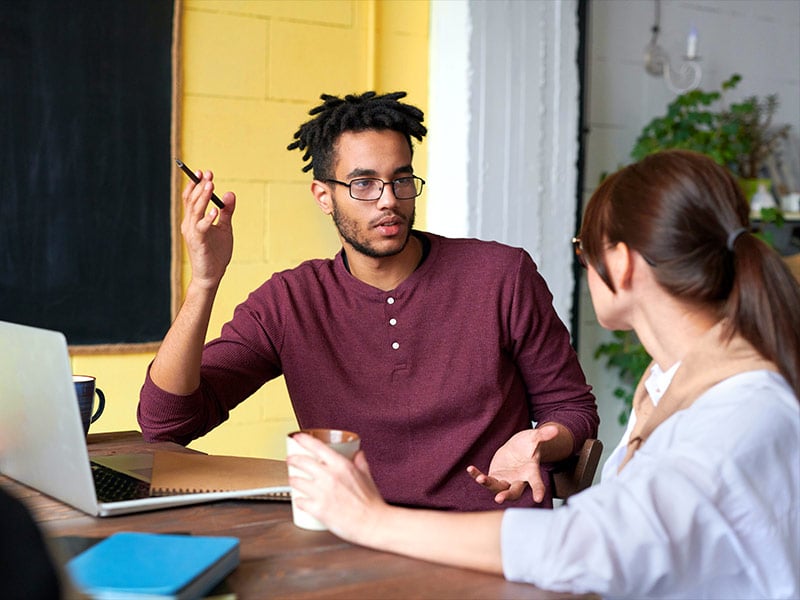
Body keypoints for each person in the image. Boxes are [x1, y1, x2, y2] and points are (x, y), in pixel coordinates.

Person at [286, 150, 800, 599]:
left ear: (620, 265)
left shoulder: (742, 412)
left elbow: (591, 544)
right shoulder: (674, 385)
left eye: (583, 249)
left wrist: (370, 520)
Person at [138, 91, 598, 511]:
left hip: (487, 538)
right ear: (324, 196)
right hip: (355, 537)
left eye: (401, 180)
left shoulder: (500, 275)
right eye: (363, 184)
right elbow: (167, 423)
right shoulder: (290, 301)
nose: (388, 201)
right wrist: (204, 281)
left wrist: (537, 444)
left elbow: (573, 409)